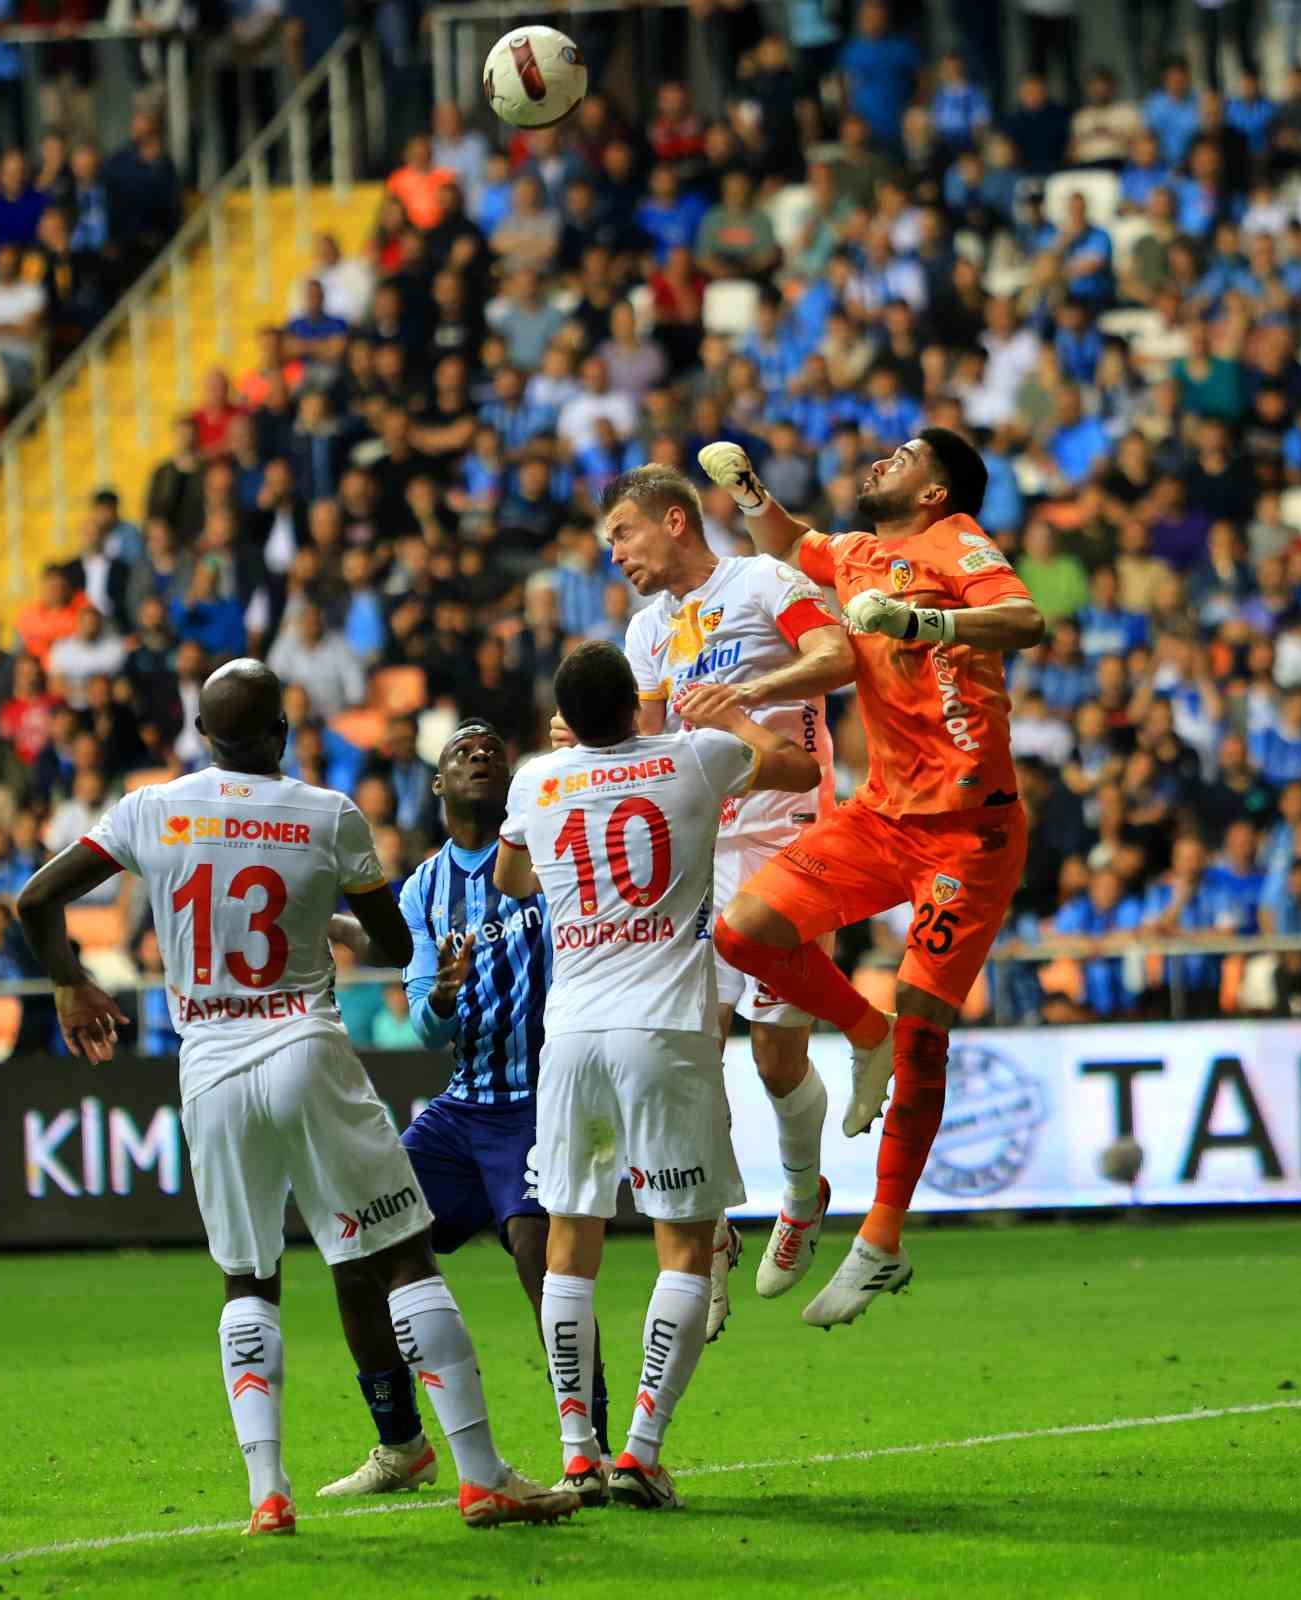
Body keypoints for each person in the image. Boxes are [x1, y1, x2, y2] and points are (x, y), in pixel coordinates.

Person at [14, 660, 578, 1535]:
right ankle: (482, 1475)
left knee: (247, 1278)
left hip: (207, 1066)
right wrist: (325, 912)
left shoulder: (150, 809)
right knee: (400, 1256)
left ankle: (267, 1495)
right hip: (304, 1046)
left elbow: (36, 898)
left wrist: (69, 983)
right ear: (280, 731)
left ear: (204, 736)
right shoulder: (326, 813)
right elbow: (394, 939)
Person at [699, 428, 1045, 1326]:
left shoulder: (956, 541)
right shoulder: (853, 553)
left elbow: (1024, 621)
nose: (883, 458)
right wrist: (745, 491)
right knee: (743, 930)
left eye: (906, 454)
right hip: (879, 816)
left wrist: (926, 622)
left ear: (936, 492)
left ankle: (879, 1244)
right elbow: (787, 540)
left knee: (929, 1027)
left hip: (968, 835)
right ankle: (863, 1031)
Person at [494, 640, 821, 1508]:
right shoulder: (694, 757)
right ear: (639, 707)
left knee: (570, 1239)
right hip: (667, 1032)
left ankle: (575, 1450)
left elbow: (512, 877)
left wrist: (568, 771)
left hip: (570, 1037)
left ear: (567, 718)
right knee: (683, 1242)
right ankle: (639, 1450)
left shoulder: (536, 778)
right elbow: (795, 768)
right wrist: (736, 717)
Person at [586, 465, 852, 1332]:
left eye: (623, 534)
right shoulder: (645, 632)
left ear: (673, 518)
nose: (616, 554)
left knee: (777, 1063)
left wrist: (751, 695)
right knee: (687, 1061)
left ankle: (803, 1195)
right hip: (698, 858)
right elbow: (653, 741)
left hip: (789, 838)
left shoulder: (764, 580)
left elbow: (836, 655)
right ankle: (710, 1243)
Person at [320, 719, 612, 1502]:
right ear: (440, 786)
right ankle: (400, 1444)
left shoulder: (550, 855)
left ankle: (594, 1449)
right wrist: (443, 997)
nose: (482, 755)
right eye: (463, 753)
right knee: (356, 1244)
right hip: (462, 1107)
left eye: (494, 749)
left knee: (537, 1256)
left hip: (542, 1099)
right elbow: (423, 1026)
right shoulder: (420, 889)